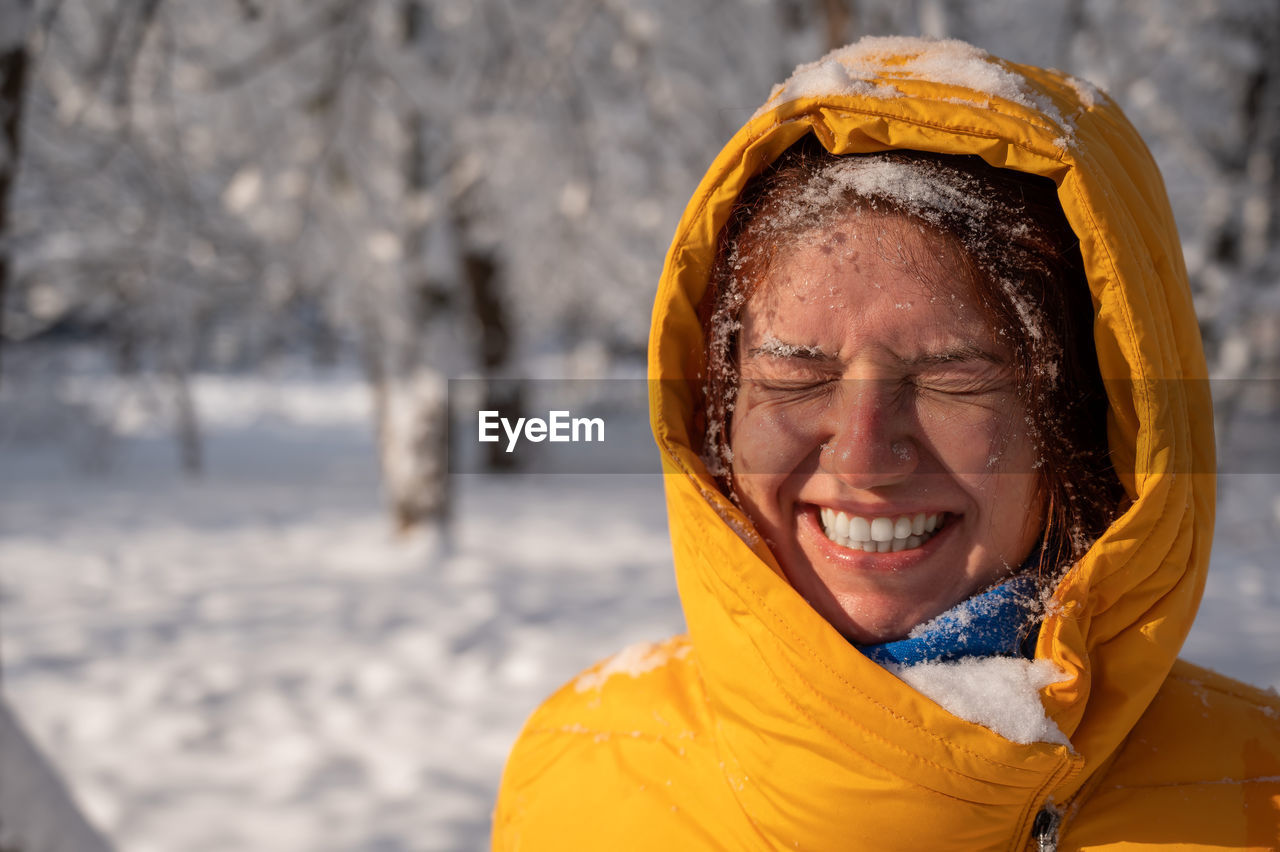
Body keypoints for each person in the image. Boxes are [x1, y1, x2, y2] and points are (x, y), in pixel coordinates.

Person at [493, 37, 1280, 850]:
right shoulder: (576, 774)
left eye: (951, 376)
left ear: (1083, 421)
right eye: (796, 374)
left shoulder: (1258, 801)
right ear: (718, 416)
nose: (864, 457)